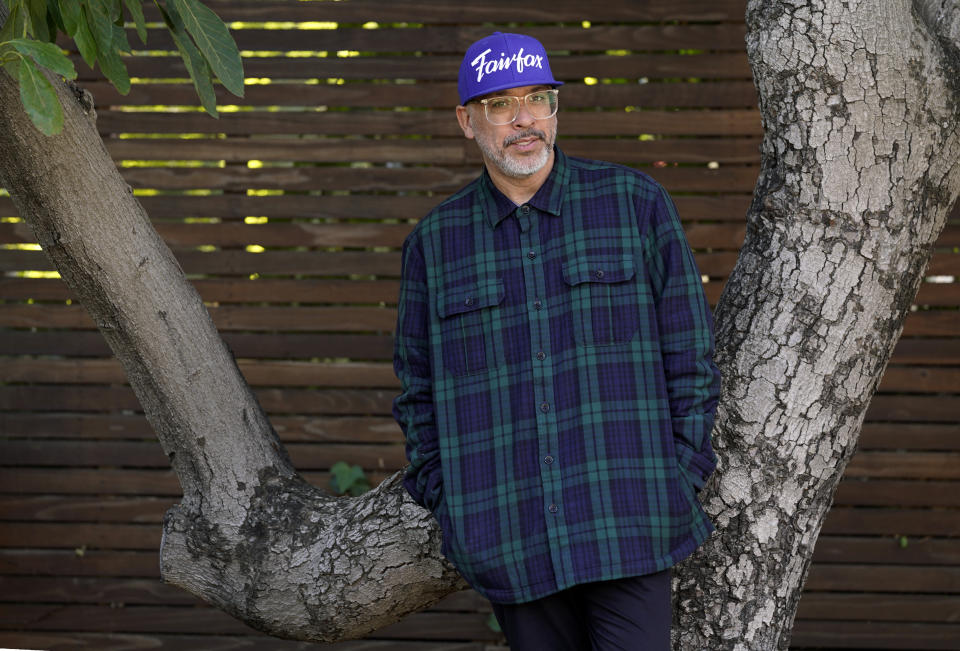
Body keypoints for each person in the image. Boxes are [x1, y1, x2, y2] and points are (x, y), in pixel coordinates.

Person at [392, 31, 720, 650]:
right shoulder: (435, 246)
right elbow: (417, 392)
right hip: (507, 534)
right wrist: (454, 505)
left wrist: (681, 474)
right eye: (499, 104)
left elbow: (691, 358)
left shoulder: (634, 204)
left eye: (537, 98)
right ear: (467, 120)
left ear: (556, 109)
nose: (524, 119)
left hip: (631, 517)